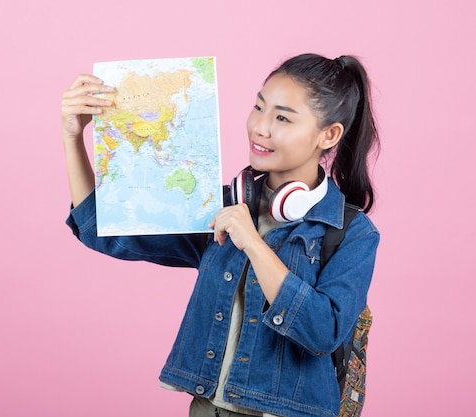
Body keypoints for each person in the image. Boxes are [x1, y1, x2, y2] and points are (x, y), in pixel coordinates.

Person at [61, 53, 380, 417]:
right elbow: (106, 232)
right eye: (258, 108)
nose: (260, 127)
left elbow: (323, 331)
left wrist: (254, 244)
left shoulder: (352, 233)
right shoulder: (221, 207)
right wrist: (73, 138)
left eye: (281, 118)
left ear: (329, 134)